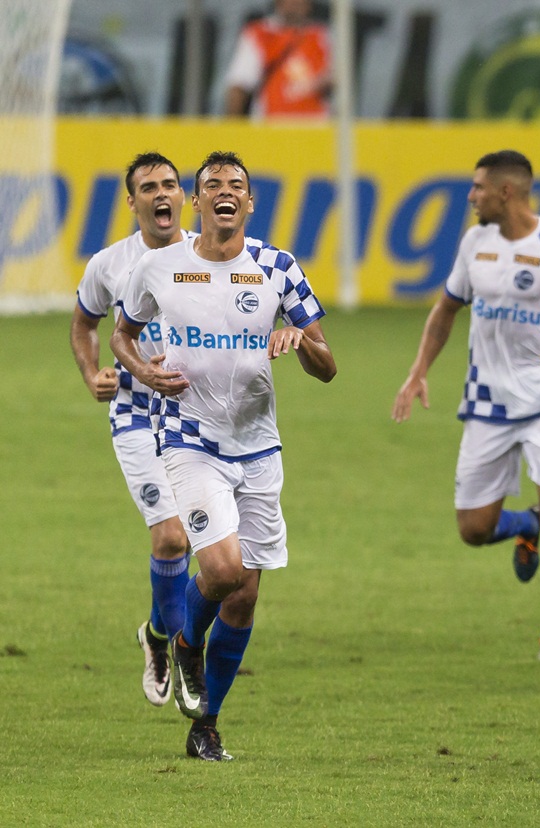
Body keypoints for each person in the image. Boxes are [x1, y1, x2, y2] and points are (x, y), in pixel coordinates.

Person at [112, 151, 337, 761]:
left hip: (260, 448)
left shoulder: (277, 267)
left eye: (236, 185)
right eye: (213, 186)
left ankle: (205, 725)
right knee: (221, 570)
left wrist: (300, 341)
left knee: (244, 596)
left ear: (249, 202)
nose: (225, 194)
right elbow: (122, 335)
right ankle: (185, 643)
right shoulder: (160, 268)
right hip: (190, 441)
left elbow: (327, 365)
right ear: (197, 201)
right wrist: (143, 373)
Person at [391, 149, 540, 663]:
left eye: (477, 188)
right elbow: (445, 310)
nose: (470, 197)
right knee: (473, 531)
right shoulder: (474, 242)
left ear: (505, 192)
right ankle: (525, 526)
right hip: (487, 404)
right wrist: (418, 372)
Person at [69, 151, 191, 708]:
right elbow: (82, 324)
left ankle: (158, 636)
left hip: (198, 413)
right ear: (132, 201)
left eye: (169, 184)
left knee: (213, 553)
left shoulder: (206, 256)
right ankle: (189, 654)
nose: (161, 194)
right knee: (170, 537)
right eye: (149, 187)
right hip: (136, 411)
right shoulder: (109, 264)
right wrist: (92, 372)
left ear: (183, 195)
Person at [223, 0, 331, 119]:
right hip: (271, 126)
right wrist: (233, 131)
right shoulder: (260, 33)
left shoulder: (322, 35)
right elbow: (240, 85)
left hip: (318, 128)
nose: (295, 3)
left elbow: (338, 79)